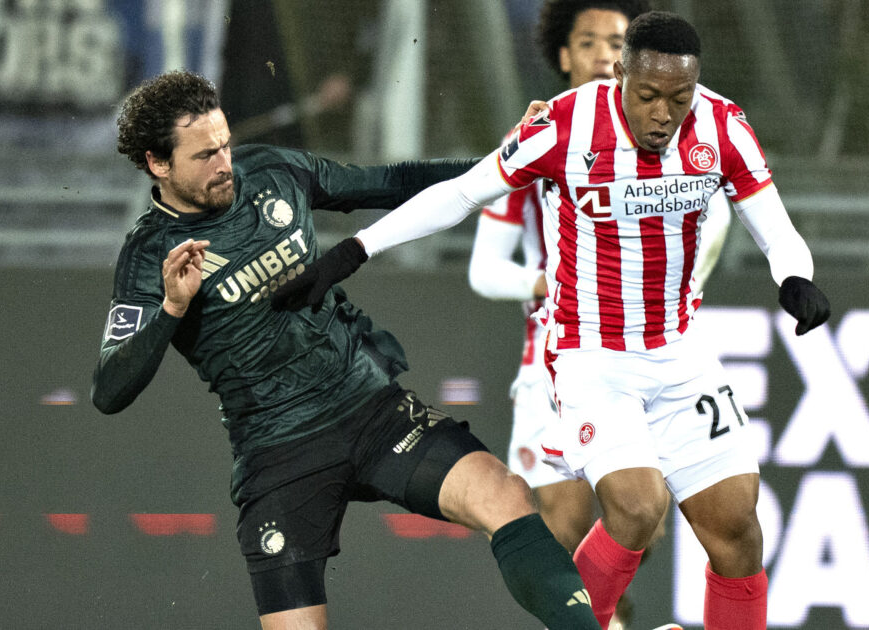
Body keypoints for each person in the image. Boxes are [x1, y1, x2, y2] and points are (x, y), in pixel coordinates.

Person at [273, 11, 831, 630]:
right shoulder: (564, 125)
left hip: (680, 351)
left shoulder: (722, 126)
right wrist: (356, 249)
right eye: (648, 96)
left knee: (737, 530)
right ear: (621, 76)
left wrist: (795, 276)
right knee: (637, 507)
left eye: (679, 99)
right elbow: (461, 193)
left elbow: (775, 228)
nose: (663, 115)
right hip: (593, 354)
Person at [90, 70, 603, 630]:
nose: (224, 164)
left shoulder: (271, 170)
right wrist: (171, 308)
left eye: (225, 144)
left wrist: (507, 161)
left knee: (506, 496)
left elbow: (390, 181)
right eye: (204, 155)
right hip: (277, 452)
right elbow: (109, 390)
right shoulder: (149, 255)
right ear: (157, 163)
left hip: (369, 409)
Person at [466, 2, 728, 628]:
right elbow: (483, 269)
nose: (603, 54)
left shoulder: (675, 136)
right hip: (556, 362)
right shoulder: (538, 138)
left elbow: (717, 214)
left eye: (616, 42)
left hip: (648, 355)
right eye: (587, 42)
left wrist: (679, 284)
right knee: (561, 529)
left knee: (640, 520)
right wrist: (548, 282)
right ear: (563, 55)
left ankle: (610, 618)